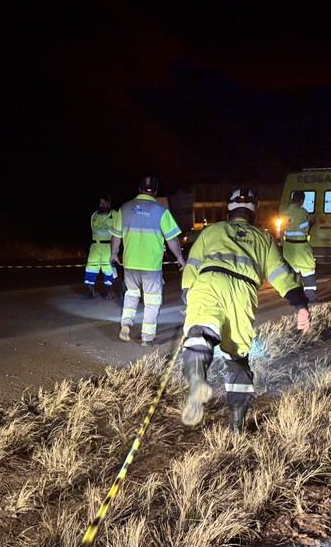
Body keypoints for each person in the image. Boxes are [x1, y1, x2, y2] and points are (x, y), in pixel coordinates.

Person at [180, 187, 311, 432]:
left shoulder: (212, 231)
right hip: (243, 293)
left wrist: (188, 294)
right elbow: (281, 274)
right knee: (237, 360)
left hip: (208, 284)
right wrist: (300, 305)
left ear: (229, 209)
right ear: (254, 212)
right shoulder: (262, 239)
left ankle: (198, 381)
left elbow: (192, 266)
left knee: (199, 336)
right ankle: (237, 426)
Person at [110, 175, 186, 344]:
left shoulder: (124, 209)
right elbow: (172, 239)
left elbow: (115, 236)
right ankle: (147, 337)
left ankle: (126, 324)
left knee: (131, 295)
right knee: (152, 300)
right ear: (155, 192)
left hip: (130, 263)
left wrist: (114, 253)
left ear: (139, 189)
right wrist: (180, 258)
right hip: (151, 265)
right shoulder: (161, 211)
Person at [279, 190, 318, 303]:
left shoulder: (285, 211)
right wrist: (311, 223)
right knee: (308, 269)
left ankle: (293, 295)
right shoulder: (303, 212)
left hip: (288, 246)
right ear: (302, 200)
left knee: (292, 271)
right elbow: (305, 229)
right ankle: (310, 296)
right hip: (300, 246)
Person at [84, 194, 121, 298]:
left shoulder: (115, 215)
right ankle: (89, 291)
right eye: (100, 203)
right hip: (95, 246)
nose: (102, 205)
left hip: (108, 247)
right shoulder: (94, 216)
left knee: (108, 269)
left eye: (104, 203)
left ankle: (107, 292)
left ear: (109, 204)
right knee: (90, 267)